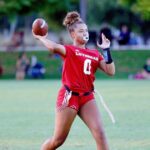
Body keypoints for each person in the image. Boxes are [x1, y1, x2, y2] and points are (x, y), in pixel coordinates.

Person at [32, 11, 115, 150]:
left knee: (100, 134)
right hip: (69, 96)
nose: (85, 33)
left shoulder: (95, 54)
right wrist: (41, 37)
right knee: (58, 140)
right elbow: (53, 47)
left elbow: (111, 71)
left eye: (86, 30)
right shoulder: (69, 50)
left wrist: (106, 50)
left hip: (87, 97)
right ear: (72, 34)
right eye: (81, 31)